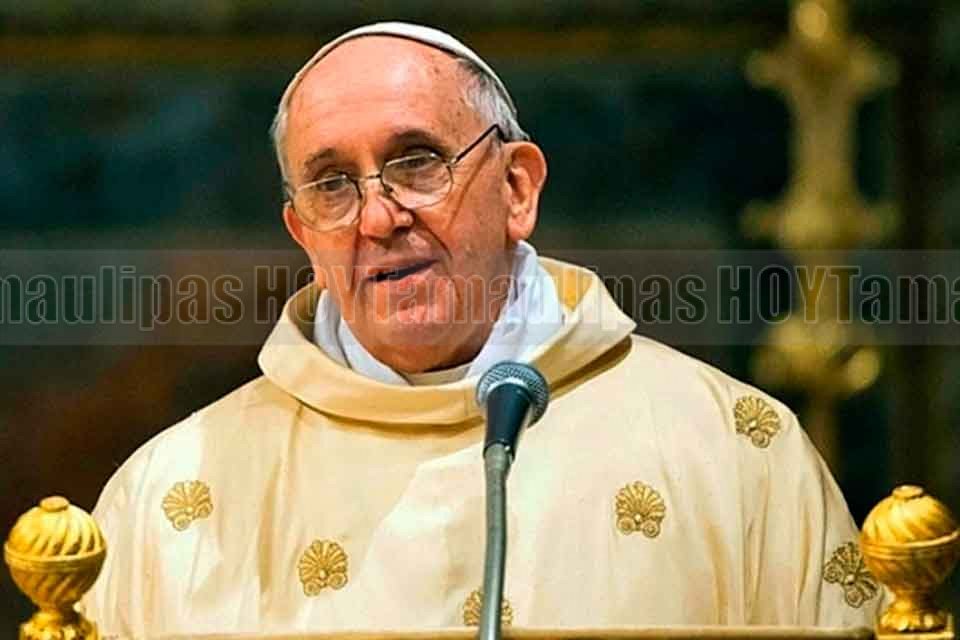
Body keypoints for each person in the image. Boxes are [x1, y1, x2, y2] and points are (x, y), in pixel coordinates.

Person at [83, 22, 882, 637]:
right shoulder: (166, 500)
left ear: (517, 189)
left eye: (416, 162)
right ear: (303, 235)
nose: (378, 218)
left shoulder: (735, 453)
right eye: (332, 184)